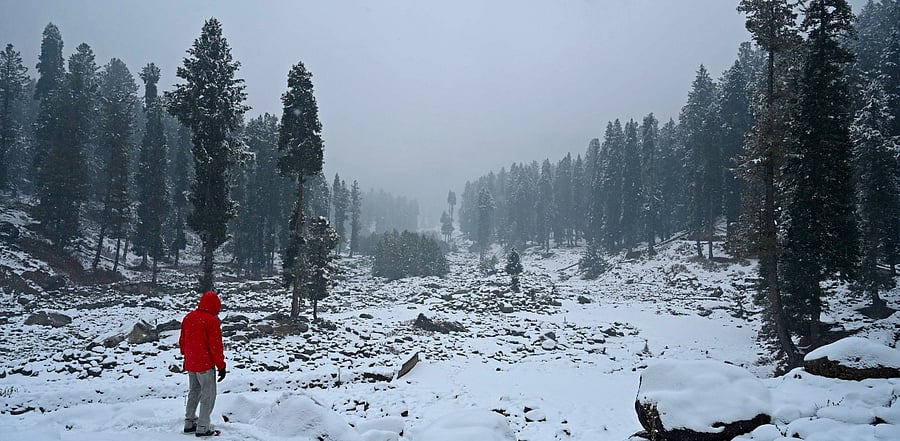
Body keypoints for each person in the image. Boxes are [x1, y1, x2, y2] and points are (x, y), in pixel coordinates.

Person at [179, 291, 227, 437]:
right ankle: (203, 426)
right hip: (205, 365)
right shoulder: (211, 320)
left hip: (191, 362)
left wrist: (187, 356)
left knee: (194, 392)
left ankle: (189, 422)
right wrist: (221, 366)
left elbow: (183, 341)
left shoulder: (189, 317)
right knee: (208, 394)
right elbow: (216, 346)